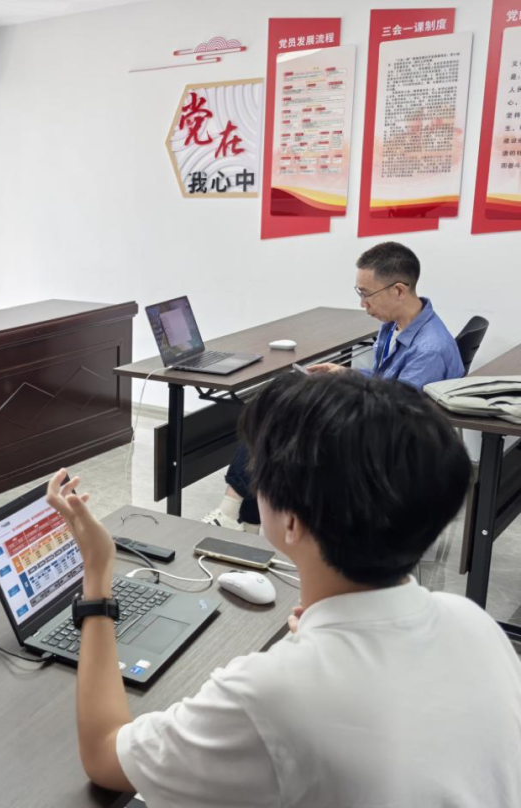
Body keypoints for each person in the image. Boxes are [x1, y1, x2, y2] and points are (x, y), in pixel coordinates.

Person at [46, 372, 521, 807]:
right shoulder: (474, 625)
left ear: (291, 521)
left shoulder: (270, 695)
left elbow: (104, 757)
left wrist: (98, 577)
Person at [205, 241, 465, 533]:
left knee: (278, 420)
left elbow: (396, 412)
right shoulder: (396, 324)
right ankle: (244, 520)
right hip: (382, 422)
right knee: (279, 406)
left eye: (366, 294)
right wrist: (347, 374)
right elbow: (388, 382)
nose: (363, 304)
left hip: (389, 445)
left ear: (398, 291)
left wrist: (335, 401)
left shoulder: (429, 349)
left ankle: (232, 512)